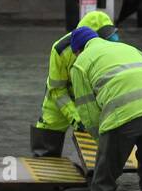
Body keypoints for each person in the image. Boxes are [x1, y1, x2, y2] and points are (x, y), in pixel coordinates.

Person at [69, 26, 142, 191]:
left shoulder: (81, 62)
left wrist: (102, 142)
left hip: (122, 117)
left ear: (78, 50)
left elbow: (88, 112)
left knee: (103, 185)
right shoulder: (130, 49)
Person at [31, 10, 119, 158]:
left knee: (98, 144)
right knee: (47, 144)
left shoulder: (111, 44)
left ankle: (96, 172)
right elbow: (57, 90)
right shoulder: (60, 50)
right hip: (61, 99)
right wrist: (77, 119)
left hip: (91, 97)